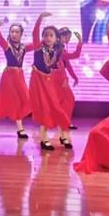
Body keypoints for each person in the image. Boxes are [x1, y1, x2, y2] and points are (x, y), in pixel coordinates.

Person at [0, 16, 42, 139]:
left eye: (17, 32)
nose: (14, 34)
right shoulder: (7, 46)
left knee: (26, 99)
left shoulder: (24, 47)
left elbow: (37, 44)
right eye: (12, 32)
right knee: (16, 101)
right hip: (9, 77)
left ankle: (22, 125)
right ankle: (20, 128)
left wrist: (47, 33)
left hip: (19, 76)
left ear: (21, 34)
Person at [27, 13, 71, 151]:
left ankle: (64, 135)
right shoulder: (38, 48)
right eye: (45, 35)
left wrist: (64, 80)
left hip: (49, 81)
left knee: (56, 108)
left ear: (57, 38)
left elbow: (60, 67)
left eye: (51, 35)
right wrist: (40, 19)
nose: (48, 38)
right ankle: (44, 139)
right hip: (38, 81)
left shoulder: (58, 51)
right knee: (44, 109)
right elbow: (35, 33)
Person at [54, 27, 83, 138]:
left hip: (62, 79)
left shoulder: (62, 49)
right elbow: (75, 55)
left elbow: (68, 65)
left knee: (68, 100)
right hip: (57, 80)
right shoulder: (56, 49)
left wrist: (75, 77)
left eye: (69, 38)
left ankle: (65, 122)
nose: (68, 39)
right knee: (65, 101)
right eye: (67, 37)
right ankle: (62, 123)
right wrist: (80, 43)